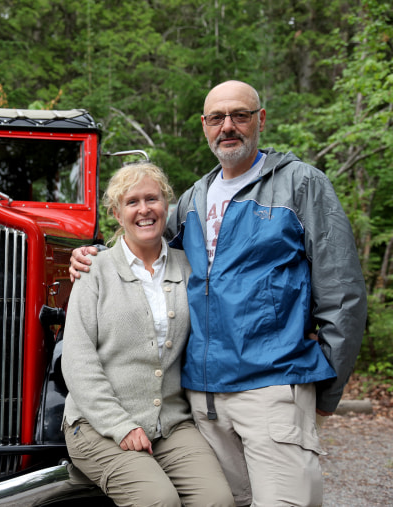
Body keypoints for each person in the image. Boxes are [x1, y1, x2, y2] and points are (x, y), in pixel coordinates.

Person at [69, 80, 367, 506]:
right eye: (217, 118)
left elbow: (343, 292)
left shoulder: (300, 185)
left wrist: (329, 387)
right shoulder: (194, 200)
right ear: (205, 126)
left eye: (240, 115)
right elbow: (144, 246)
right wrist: (94, 255)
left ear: (260, 120)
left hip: (271, 387)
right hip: (204, 400)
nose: (228, 126)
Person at [62, 162, 234, 507]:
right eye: (132, 202)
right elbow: (77, 361)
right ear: (117, 212)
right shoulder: (94, 269)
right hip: (97, 425)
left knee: (218, 500)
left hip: (170, 423)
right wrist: (121, 426)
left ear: (166, 205)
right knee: (157, 500)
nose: (144, 210)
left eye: (152, 199)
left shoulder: (189, 268)